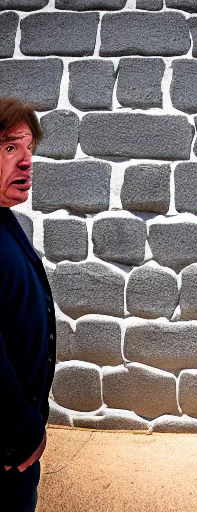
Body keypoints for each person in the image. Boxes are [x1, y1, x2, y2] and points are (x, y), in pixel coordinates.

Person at [0, 97, 56, 512]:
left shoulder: (5, 218)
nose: (26, 162)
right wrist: (20, 433)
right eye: (9, 148)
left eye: (29, 149)